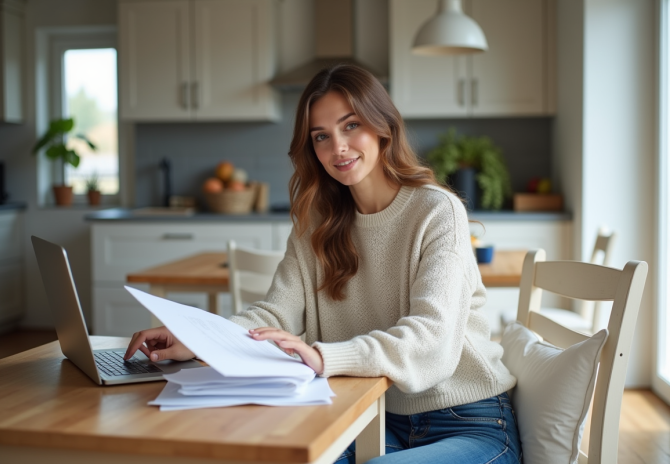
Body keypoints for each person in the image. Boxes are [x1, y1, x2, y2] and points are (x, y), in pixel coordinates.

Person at [124, 64, 521, 464]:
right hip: (374, 417)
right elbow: (273, 314)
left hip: (470, 420)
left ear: (382, 126)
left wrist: (324, 357)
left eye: (351, 126)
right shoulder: (317, 222)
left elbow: (431, 340)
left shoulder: (437, 211)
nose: (338, 148)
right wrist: (198, 338)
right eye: (321, 136)